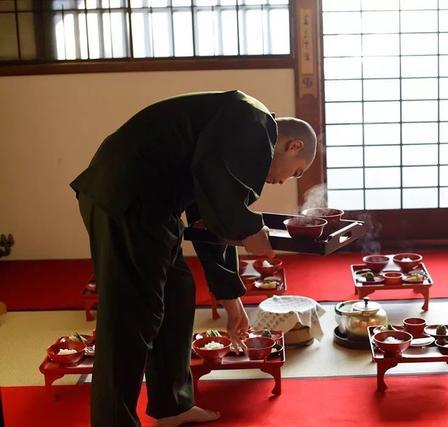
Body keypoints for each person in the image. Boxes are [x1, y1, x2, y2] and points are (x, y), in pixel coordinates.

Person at [70, 90, 317, 427]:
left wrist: (232, 301)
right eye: (297, 172)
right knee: (130, 318)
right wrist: (250, 229)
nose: (282, 180)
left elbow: (209, 218)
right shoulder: (253, 122)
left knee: (177, 295)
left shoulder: (243, 130)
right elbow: (221, 196)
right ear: (294, 146)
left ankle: (172, 405)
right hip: (127, 199)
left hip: (152, 207)